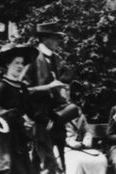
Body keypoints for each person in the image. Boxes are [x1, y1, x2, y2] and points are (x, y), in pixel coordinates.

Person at [0, 42, 39, 174]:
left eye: (22, 63)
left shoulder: (22, 87)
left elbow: (29, 110)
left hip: (20, 138)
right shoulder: (1, 86)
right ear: (8, 64)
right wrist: (10, 115)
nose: (20, 66)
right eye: (16, 63)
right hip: (4, 139)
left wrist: (32, 121)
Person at [26, 24, 69, 174]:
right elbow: (24, 91)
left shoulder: (56, 59)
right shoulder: (32, 58)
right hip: (40, 117)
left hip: (56, 116)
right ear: (44, 39)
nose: (59, 42)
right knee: (49, 161)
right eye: (56, 38)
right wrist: (48, 88)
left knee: (39, 159)